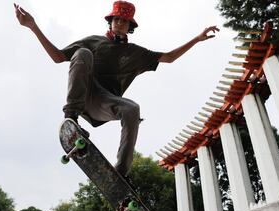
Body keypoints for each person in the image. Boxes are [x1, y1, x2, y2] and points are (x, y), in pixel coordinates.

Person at [14, 1, 219, 179]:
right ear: (110, 22)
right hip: (82, 93)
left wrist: (197, 39)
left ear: (130, 26)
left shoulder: (135, 53)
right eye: (116, 20)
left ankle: (120, 173)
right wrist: (33, 26)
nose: (120, 24)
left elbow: (169, 57)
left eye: (124, 21)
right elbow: (58, 57)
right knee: (83, 53)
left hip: (103, 103)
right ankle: (71, 120)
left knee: (132, 108)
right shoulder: (93, 41)